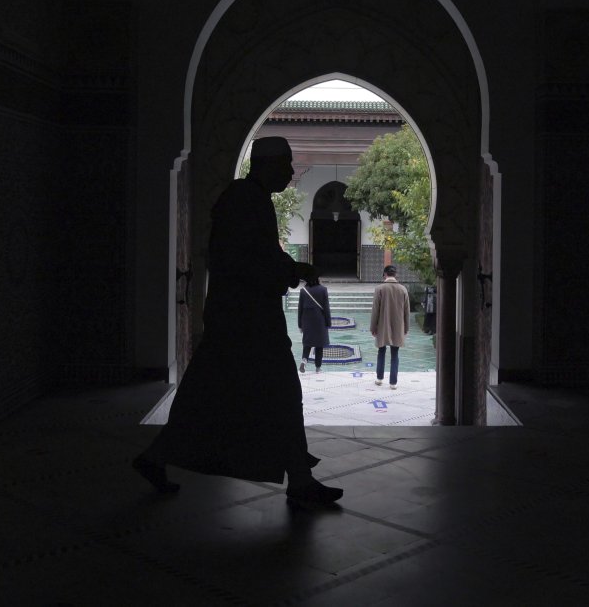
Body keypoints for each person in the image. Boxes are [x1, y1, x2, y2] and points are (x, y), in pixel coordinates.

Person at [132, 136, 343, 507]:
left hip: (238, 320)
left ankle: (155, 458)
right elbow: (249, 260)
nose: (291, 172)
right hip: (247, 323)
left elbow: (253, 257)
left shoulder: (246, 198)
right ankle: (300, 480)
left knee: (211, 396)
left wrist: (289, 270)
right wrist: (293, 269)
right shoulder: (247, 200)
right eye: (287, 164)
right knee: (278, 395)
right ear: (269, 164)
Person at [370, 265, 409, 390]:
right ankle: (393, 382)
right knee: (395, 353)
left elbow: (375, 310)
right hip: (398, 326)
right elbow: (407, 312)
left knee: (381, 351)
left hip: (382, 325)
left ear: (385, 274)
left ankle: (379, 378)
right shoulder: (403, 289)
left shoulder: (379, 289)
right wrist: (406, 328)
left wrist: (373, 327)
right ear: (395, 274)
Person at [297, 269, 331, 374]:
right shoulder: (323, 289)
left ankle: (304, 360)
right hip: (319, 321)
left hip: (307, 321)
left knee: (307, 343)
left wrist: (300, 324)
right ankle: (318, 368)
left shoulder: (303, 291)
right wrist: (328, 322)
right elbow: (326, 308)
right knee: (319, 345)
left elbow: (300, 309)